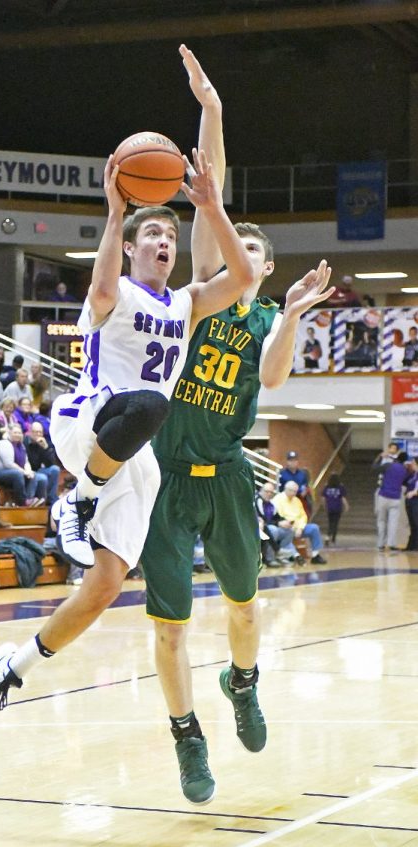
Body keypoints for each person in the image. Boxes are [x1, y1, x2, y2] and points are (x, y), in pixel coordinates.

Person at [0, 57, 259, 723]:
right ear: (129, 248)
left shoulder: (184, 303)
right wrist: (113, 211)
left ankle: (11, 670)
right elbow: (95, 293)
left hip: (134, 455)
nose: (162, 241)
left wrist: (209, 205)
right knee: (152, 402)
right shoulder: (115, 286)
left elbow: (240, 278)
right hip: (89, 422)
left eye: (167, 236)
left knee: (103, 587)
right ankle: (80, 500)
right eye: (150, 233)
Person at [139, 47, 333, 804]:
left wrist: (286, 315)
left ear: (261, 271)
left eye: (248, 256)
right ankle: (188, 741)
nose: (233, 258)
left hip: (222, 475)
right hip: (162, 475)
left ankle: (241, 683)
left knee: (245, 610)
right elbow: (206, 195)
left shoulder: (261, 322)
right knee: (166, 628)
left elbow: (278, 378)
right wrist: (211, 110)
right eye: (228, 250)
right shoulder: (194, 299)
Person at [0, 423, 46, 507]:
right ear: (9, 433)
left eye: (19, 433)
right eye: (15, 432)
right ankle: (22, 502)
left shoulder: (21, 446)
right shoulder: (4, 443)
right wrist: (24, 472)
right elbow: (8, 464)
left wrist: (28, 471)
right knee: (18, 474)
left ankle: (32, 501)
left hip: (7, 472)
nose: (17, 435)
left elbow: (26, 462)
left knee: (35, 476)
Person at [274, 481, 327, 565]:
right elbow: (279, 517)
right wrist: (294, 527)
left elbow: (303, 516)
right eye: (292, 491)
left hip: (299, 528)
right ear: (286, 489)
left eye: (295, 491)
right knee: (288, 533)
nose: (294, 493)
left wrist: (300, 528)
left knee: (314, 528)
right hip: (287, 527)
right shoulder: (277, 499)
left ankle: (315, 555)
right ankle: (296, 555)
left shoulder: (297, 500)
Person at [255, 482, 300, 565]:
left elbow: (277, 516)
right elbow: (263, 520)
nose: (269, 494)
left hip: (269, 526)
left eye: (271, 492)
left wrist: (284, 521)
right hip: (262, 528)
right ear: (261, 491)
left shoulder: (270, 504)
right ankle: (270, 559)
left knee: (290, 530)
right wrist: (278, 524)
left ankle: (282, 556)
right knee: (273, 529)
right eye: (267, 491)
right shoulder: (258, 500)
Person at [373, 450, 409, 551]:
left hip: (383, 496)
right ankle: (391, 544)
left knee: (381, 521)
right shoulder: (404, 470)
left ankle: (380, 544)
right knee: (393, 522)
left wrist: (380, 457)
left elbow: (375, 468)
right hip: (396, 498)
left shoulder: (388, 465)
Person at [279, 451, 312, 516]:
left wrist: (305, 492)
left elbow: (306, 485)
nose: (293, 462)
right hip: (287, 501)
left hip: (301, 499)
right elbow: (280, 489)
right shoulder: (282, 474)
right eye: (290, 460)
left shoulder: (303, 473)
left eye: (294, 460)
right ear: (287, 462)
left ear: (297, 462)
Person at [321, 472, 349, 545]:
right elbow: (343, 498)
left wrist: (324, 506)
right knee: (335, 523)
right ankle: (332, 538)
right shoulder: (340, 487)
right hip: (337, 508)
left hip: (330, 507)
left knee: (330, 523)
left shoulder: (327, 487)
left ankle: (329, 537)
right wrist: (346, 506)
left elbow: (323, 498)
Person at [404, 458, 418, 551]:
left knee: (416, 523)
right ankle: (411, 545)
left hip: (416, 501)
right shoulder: (413, 474)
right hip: (410, 501)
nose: (411, 464)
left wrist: (413, 493)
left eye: (413, 463)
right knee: (412, 524)